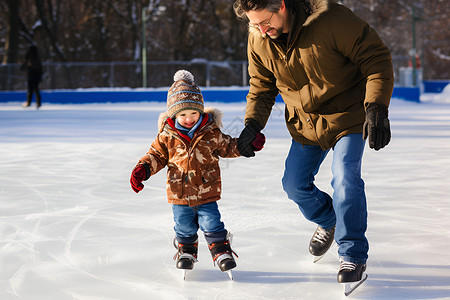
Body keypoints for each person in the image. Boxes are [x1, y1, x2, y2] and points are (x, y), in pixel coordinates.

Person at [233, 0, 393, 288]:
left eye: (264, 22)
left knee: (345, 178)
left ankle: (352, 253)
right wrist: (252, 124)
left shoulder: (329, 19)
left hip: (348, 115)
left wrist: (377, 107)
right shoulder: (258, 37)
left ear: (281, 5)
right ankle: (331, 219)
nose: (259, 29)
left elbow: (376, 58)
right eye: (253, 24)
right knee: (293, 184)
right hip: (305, 123)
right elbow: (261, 85)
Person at [130, 70, 265, 275]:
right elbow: (156, 156)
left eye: (193, 113)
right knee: (183, 225)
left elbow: (228, 147)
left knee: (211, 222)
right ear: (174, 115)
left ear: (200, 112)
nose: (189, 119)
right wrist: (143, 170)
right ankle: (186, 251)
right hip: (179, 193)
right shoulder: (167, 136)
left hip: (206, 190)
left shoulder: (210, 132)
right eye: (183, 114)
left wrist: (248, 146)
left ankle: (220, 250)